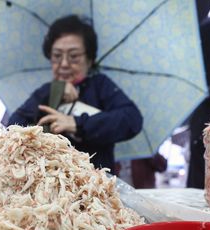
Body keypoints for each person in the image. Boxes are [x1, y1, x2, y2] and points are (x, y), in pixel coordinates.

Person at [8, 15, 142, 174]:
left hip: (95, 184)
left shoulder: (100, 85)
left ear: (90, 59)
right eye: (57, 56)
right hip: (48, 186)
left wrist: (77, 124)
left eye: (74, 56)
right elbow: (13, 126)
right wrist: (55, 89)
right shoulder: (45, 91)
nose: (64, 64)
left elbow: (132, 119)